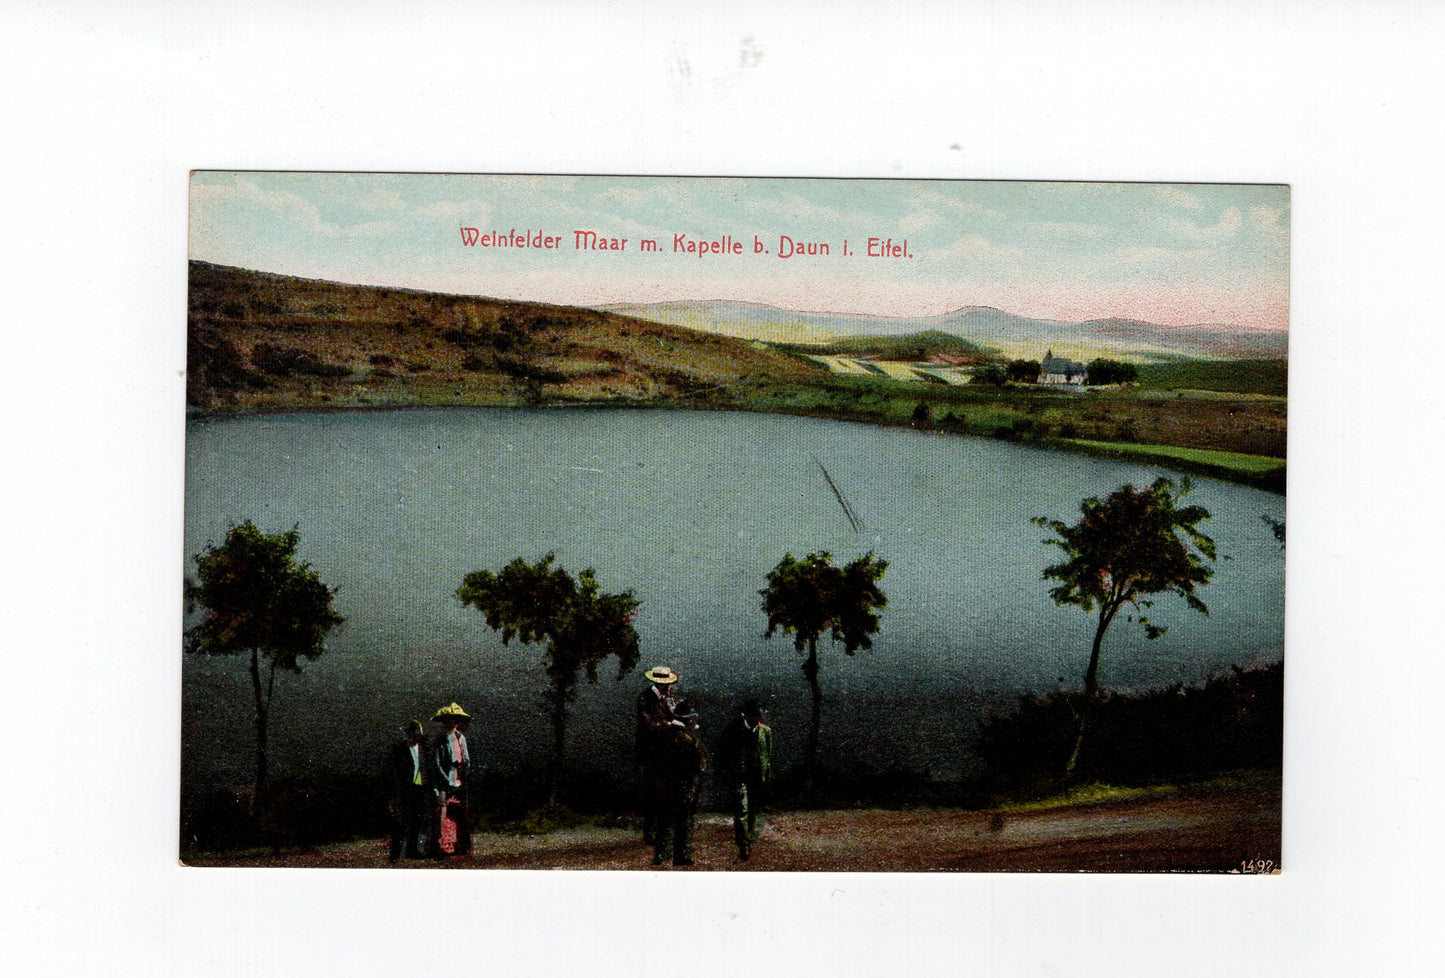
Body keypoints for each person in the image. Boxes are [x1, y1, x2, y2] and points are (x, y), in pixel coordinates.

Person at [649, 699, 708, 867]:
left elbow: (654, 762)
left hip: (664, 786)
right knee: (682, 823)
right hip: (683, 787)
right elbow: (700, 764)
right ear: (687, 720)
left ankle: (659, 856)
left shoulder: (662, 735)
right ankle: (679, 857)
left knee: (663, 822)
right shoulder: (689, 739)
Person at [716, 699, 775, 861]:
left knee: (753, 810)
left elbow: (768, 755)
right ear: (747, 716)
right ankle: (743, 844)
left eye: (760, 716)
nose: (759, 719)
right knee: (742, 810)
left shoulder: (765, 731)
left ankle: (747, 838)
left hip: (757, 779)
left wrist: (766, 776)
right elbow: (724, 756)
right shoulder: (734, 731)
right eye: (756, 716)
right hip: (740, 778)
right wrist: (730, 777)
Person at [635, 665, 682, 845]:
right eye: (667, 684)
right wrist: (670, 724)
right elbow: (649, 724)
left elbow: (671, 715)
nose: (670, 687)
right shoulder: (646, 698)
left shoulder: (665, 698)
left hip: (665, 750)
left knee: (666, 791)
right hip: (651, 750)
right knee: (653, 791)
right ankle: (650, 832)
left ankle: (662, 830)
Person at [429, 702, 472, 858]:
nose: (453, 722)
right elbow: (437, 763)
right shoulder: (440, 739)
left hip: (459, 777)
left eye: (455, 719)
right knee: (441, 812)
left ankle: (462, 846)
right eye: (450, 719)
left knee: (461, 813)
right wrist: (446, 780)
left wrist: (463, 775)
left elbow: (466, 759)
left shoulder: (461, 738)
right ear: (445, 721)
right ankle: (439, 847)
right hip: (444, 778)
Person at [387, 719, 431, 862]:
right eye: (413, 734)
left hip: (420, 789)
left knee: (418, 820)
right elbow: (394, 772)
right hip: (405, 789)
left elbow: (426, 769)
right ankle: (396, 853)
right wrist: (395, 793)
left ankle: (412, 850)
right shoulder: (400, 749)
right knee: (402, 822)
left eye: (418, 734)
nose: (415, 737)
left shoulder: (423, 749)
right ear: (409, 734)